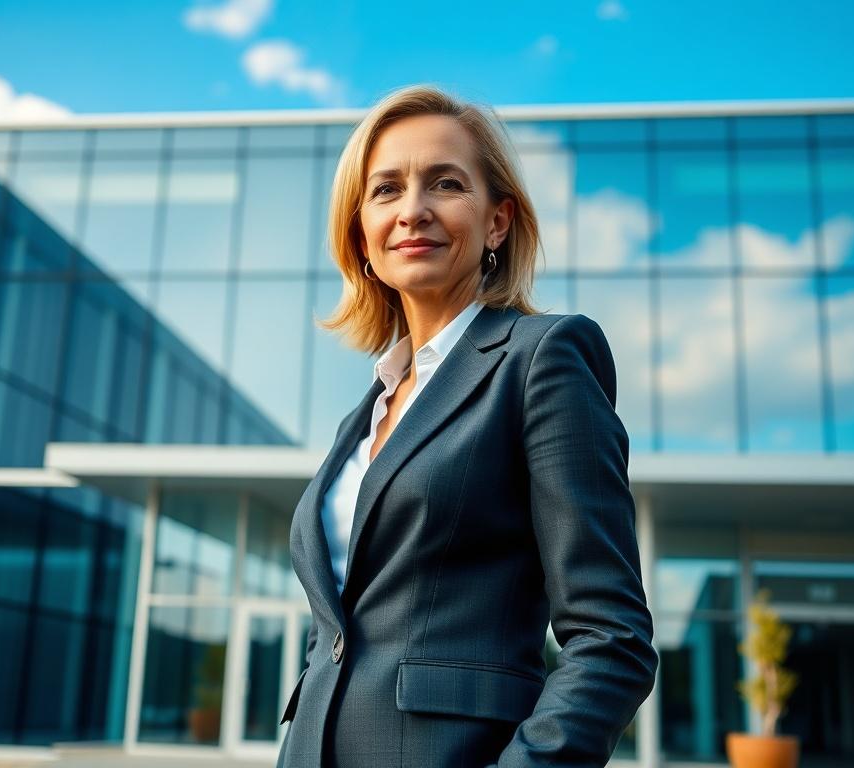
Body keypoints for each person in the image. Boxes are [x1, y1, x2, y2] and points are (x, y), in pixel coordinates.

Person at [276, 84, 658, 768]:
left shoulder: (543, 358)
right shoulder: (366, 412)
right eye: (385, 189)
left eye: (445, 183)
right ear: (361, 231)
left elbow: (611, 637)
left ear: (497, 222)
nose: (412, 210)